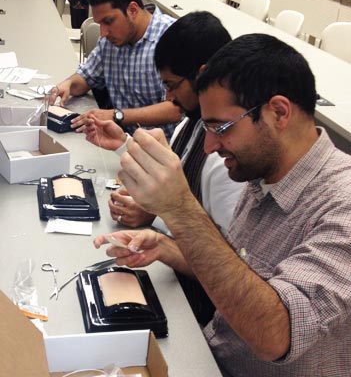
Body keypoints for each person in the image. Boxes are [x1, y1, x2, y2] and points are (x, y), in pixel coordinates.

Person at [95, 33, 351, 376]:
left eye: (221, 128)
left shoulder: (341, 203)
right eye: (205, 128)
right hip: (210, 355)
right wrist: (169, 248)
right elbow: (237, 272)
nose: (210, 146)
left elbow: (277, 335)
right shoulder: (264, 169)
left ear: (278, 112)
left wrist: (180, 209)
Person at [85, 11, 245, 325]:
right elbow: (173, 175)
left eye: (172, 85)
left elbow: (227, 264)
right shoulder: (193, 122)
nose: (168, 96)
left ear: (201, 75)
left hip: (195, 309)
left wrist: (154, 216)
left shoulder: (225, 162)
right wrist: (123, 144)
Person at [52, 0, 181, 141]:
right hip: (121, 141)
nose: (103, 33)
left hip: (163, 148)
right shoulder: (110, 42)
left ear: (133, 10)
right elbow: (86, 77)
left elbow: (176, 109)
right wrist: (68, 84)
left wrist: (116, 115)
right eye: (100, 24)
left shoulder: (172, 38)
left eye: (108, 21)